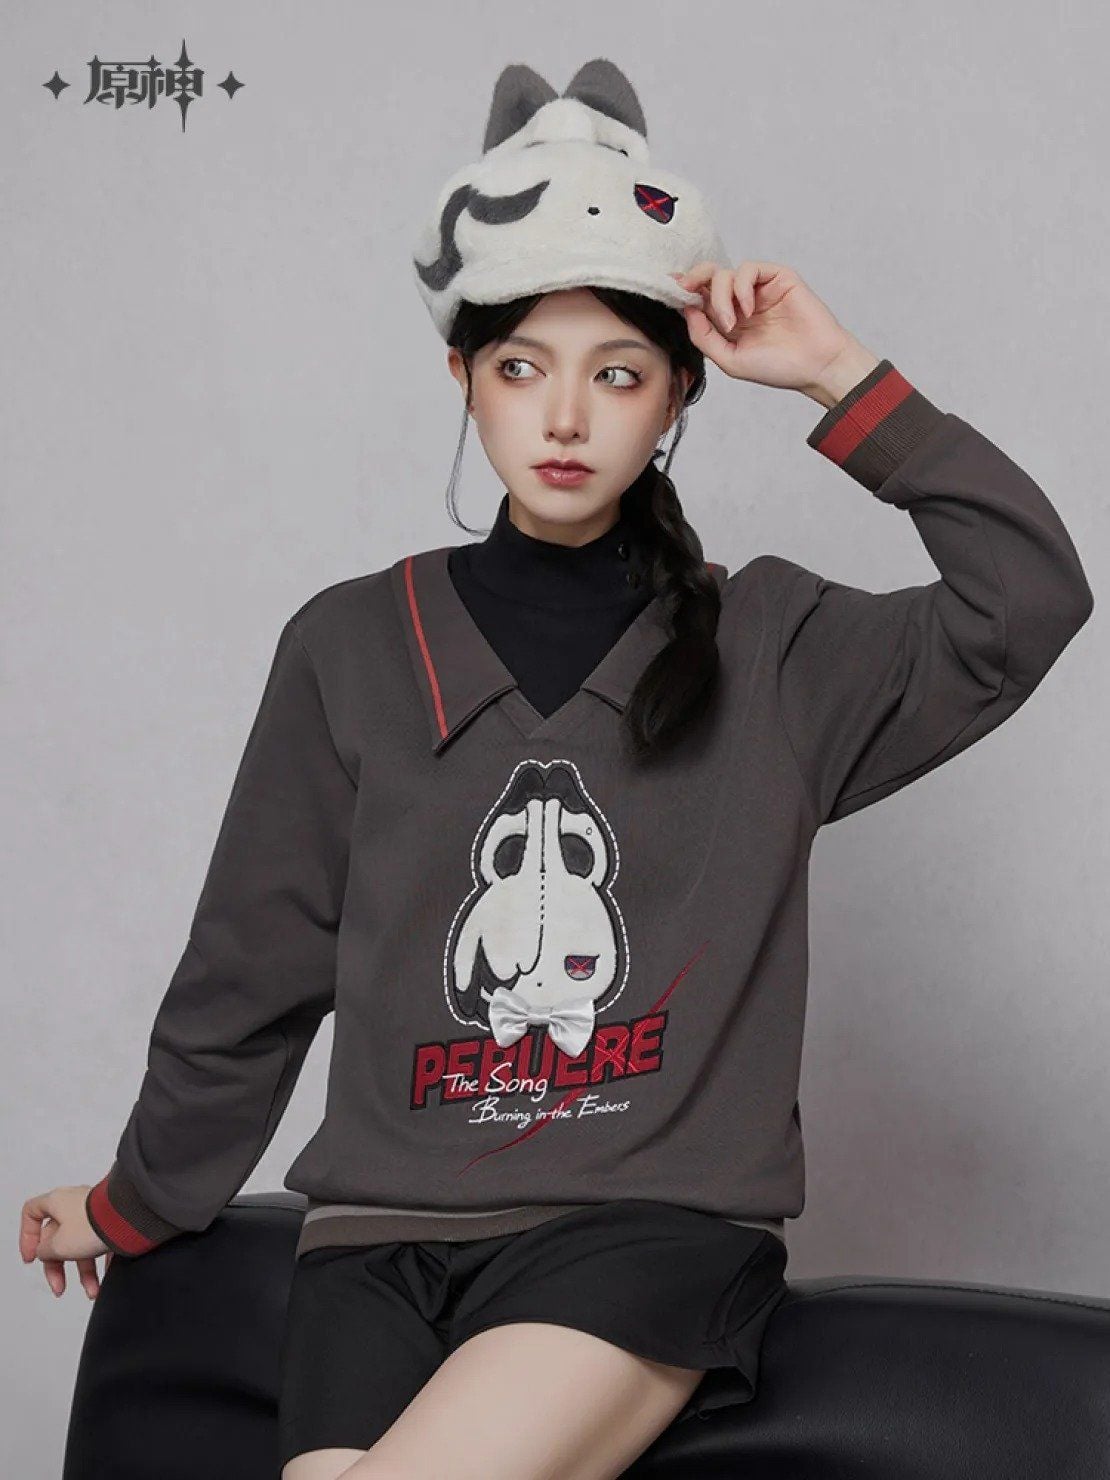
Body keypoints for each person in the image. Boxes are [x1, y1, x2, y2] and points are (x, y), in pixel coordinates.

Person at [20, 58, 1093, 1480]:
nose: (566, 418)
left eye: (618, 374)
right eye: (521, 367)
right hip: (374, 1252)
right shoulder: (350, 645)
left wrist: (838, 373)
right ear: (461, 379)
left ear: (679, 394)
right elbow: (250, 968)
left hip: (638, 1246)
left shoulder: (775, 651)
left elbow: (1027, 599)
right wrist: (137, 1199)